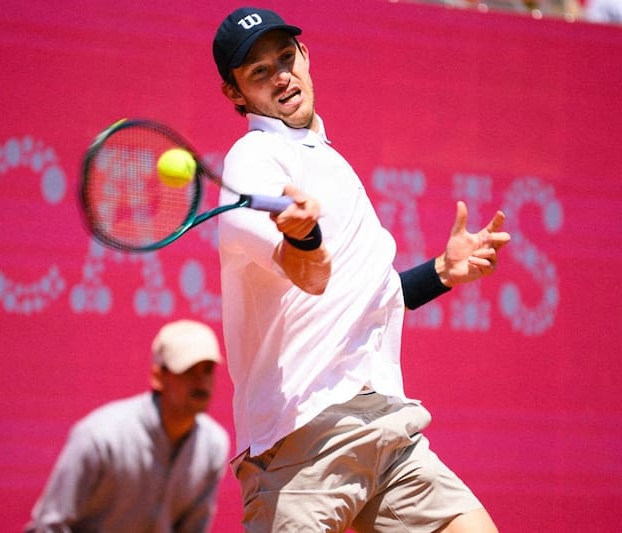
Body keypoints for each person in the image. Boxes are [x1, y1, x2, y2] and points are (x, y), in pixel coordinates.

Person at [212, 7, 511, 533]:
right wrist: (303, 238)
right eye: (259, 71)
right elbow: (308, 274)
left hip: (386, 426)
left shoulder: (326, 159)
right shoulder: (253, 159)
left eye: (285, 57)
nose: (281, 75)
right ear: (234, 93)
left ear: (305, 56)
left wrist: (442, 272)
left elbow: (361, 296)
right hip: (302, 444)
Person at [25, 320, 230, 533]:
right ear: (157, 376)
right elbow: (47, 526)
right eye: (187, 371)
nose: (200, 382)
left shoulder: (214, 445)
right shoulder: (100, 437)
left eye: (207, 370)